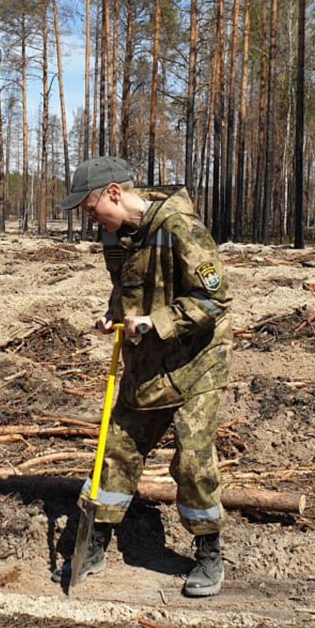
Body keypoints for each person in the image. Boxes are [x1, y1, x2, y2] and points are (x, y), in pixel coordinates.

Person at [54, 156, 232, 598]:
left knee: (192, 460)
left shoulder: (181, 229)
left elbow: (213, 302)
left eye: (93, 209)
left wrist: (157, 322)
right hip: (146, 363)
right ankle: (92, 543)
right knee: (116, 450)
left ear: (114, 193)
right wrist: (113, 317)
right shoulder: (116, 237)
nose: (92, 220)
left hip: (195, 363)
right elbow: (125, 290)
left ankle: (209, 551)